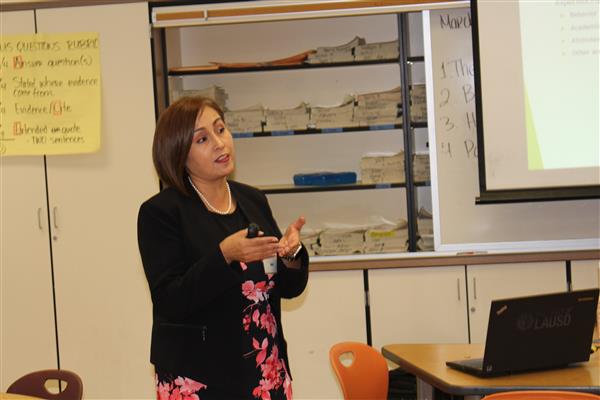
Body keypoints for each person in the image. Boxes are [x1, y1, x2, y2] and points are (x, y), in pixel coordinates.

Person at [137, 96, 309, 400]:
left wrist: (290, 254)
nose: (220, 143)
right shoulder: (161, 213)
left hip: (264, 369)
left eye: (220, 130)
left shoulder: (253, 200)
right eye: (202, 139)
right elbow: (170, 301)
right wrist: (224, 255)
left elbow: (286, 288)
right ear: (179, 152)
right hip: (200, 376)